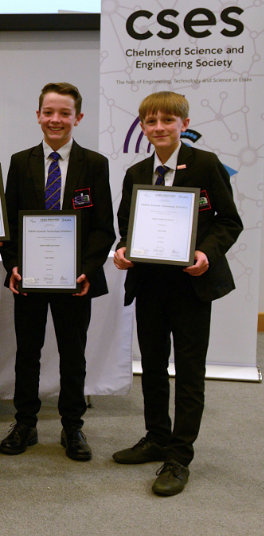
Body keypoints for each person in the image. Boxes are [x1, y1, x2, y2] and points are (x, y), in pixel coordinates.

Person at [109, 90, 241, 497]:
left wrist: (205, 253)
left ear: (184, 124)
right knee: (150, 364)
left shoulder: (205, 164)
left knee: (188, 370)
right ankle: (156, 437)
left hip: (191, 285)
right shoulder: (135, 172)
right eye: (152, 121)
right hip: (149, 285)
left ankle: (180, 455)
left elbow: (229, 222)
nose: (160, 127)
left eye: (168, 120)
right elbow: (126, 225)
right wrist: (122, 251)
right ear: (143, 127)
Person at [0, 83, 113, 462]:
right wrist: (13, 264)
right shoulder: (20, 161)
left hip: (74, 281)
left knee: (73, 353)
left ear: (77, 118)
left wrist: (87, 270)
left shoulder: (94, 164)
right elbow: (9, 222)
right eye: (49, 112)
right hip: (28, 279)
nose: (56, 120)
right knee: (27, 352)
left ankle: (72, 426)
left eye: (64, 113)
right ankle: (25, 423)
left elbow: (102, 227)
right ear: (38, 115)